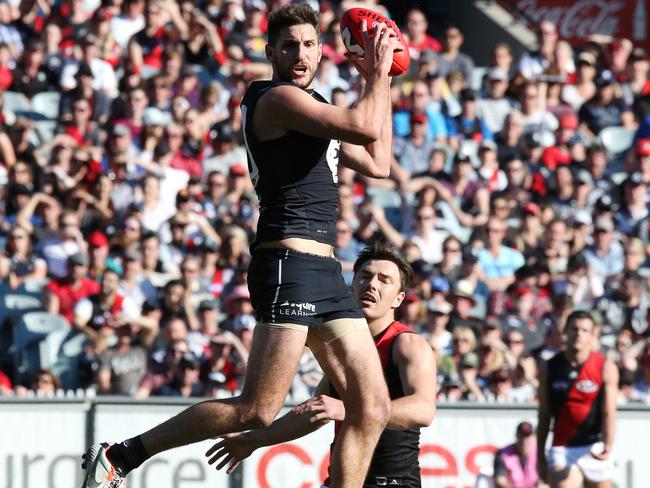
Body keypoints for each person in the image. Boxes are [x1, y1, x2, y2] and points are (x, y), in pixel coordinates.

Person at [82, 5, 398, 488]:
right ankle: (122, 455)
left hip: (326, 274)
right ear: (270, 51)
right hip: (287, 266)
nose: (300, 53)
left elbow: (379, 164)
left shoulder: (314, 107)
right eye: (289, 44)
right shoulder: (274, 99)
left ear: (321, 51)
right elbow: (366, 127)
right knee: (258, 409)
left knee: (371, 404)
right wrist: (375, 75)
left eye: (310, 44)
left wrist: (383, 83)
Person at [205, 242, 437, 487]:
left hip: (392, 481)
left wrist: (350, 409)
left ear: (398, 299)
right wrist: (251, 441)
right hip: (342, 480)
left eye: (384, 280)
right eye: (365, 276)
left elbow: (423, 410)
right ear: (352, 285)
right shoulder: (346, 347)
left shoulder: (407, 344)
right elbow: (316, 412)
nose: (372, 285)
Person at [537, 310, 619, 488]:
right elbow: (543, 414)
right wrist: (540, 456)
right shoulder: (549, 368)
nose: (578, 334)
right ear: (565, 331)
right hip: (562, 446)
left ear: (592, 334)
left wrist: (608, 443)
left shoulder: (604, 367)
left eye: (584, 330)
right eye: (574, 329)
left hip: (594, 445)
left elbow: (609, 412)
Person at [493, 421, 540, 488]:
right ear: (516, 436)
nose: (524, 440)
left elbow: (546, 481)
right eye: (521, 436)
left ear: (534, 437)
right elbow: (499, 481)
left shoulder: (541, 454)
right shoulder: (503, 454)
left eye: (527, 436)